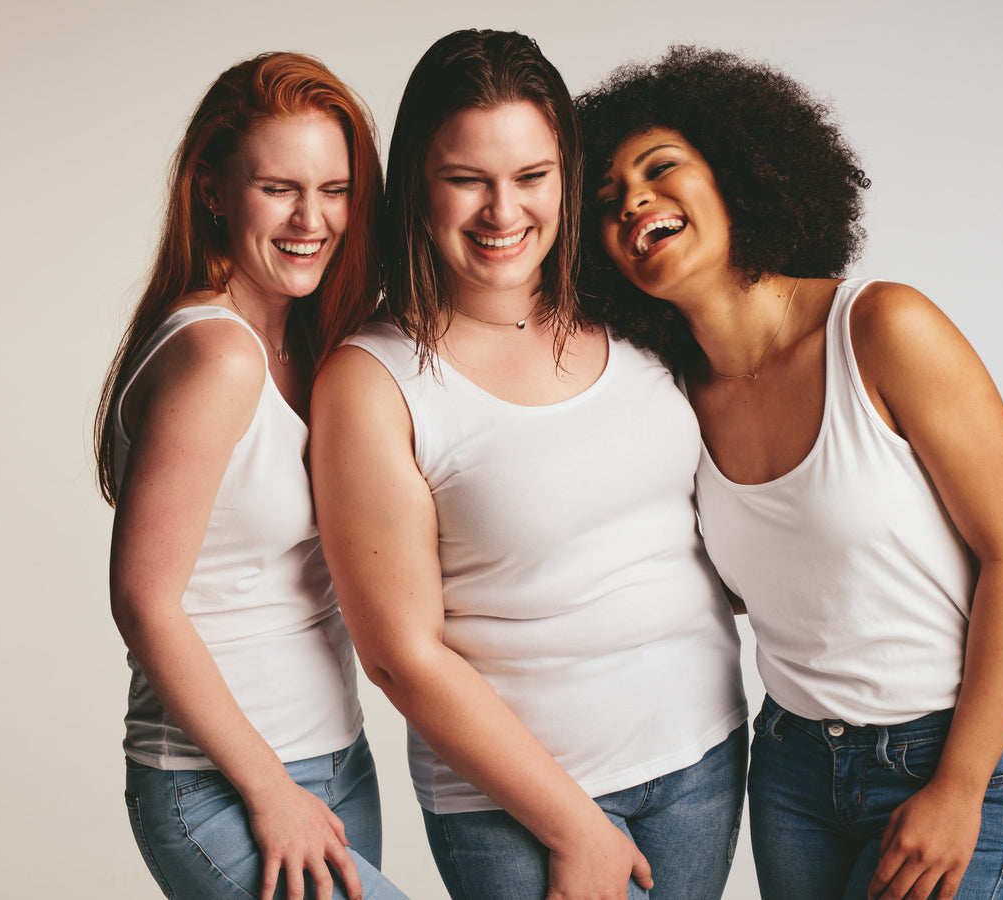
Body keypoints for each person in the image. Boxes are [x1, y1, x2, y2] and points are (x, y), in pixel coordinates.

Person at [577, 46, 1003, 900]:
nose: (633, 201)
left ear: (737, 175)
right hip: (791, 768)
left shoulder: (882, 329)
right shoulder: (674, 399)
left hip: (943, 753)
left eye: (659, 168)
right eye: (606, 201)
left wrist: (960, 785)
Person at [310, 30, 748, 900]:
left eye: (531, 178)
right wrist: (572, 825)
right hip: (514, 809)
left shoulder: (634, 313)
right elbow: (399, 653)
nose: (502, 212)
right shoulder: (374, 379)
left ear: (566, 176)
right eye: (466, 179)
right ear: (418, 188)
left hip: (702, 760)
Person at [93, 51, 406, 900]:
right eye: (279, 188)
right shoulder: (217, 354)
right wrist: (272, 793)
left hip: (335, 757)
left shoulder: (309, 340)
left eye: (334, 190)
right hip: (222, 783)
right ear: (212, 189)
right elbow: (143, 601)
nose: (312, 218)